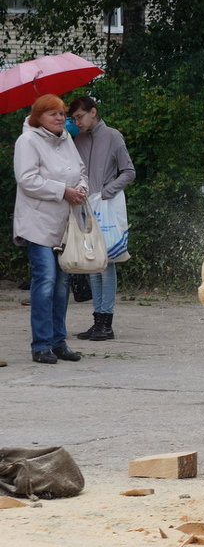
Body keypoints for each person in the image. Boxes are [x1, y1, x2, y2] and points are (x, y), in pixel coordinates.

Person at [13, 94, 88, 364]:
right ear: (38, 118)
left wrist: (81, 189)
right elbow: (27, 180)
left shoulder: (66, 139)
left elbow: (81, 171)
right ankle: (41, 345)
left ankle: (58, 342)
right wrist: (63, 191)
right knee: (45, 281)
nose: (60, 118)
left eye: (61, 113)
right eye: (53, 114)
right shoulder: (28, 141)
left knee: (61, 285)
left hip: (64, 223)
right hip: (37, 224)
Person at [67, 96, 136, 341]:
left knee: (106, 264)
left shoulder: (113, 136)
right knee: (92, 264)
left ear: (93, 112)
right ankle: (98, 320)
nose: (77, 122)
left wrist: (107, 191)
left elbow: (129, 171)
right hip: (85, 205)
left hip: (105, 204)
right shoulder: (78, 139)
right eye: (74, 118)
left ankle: (106, 321)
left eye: (80, 117)